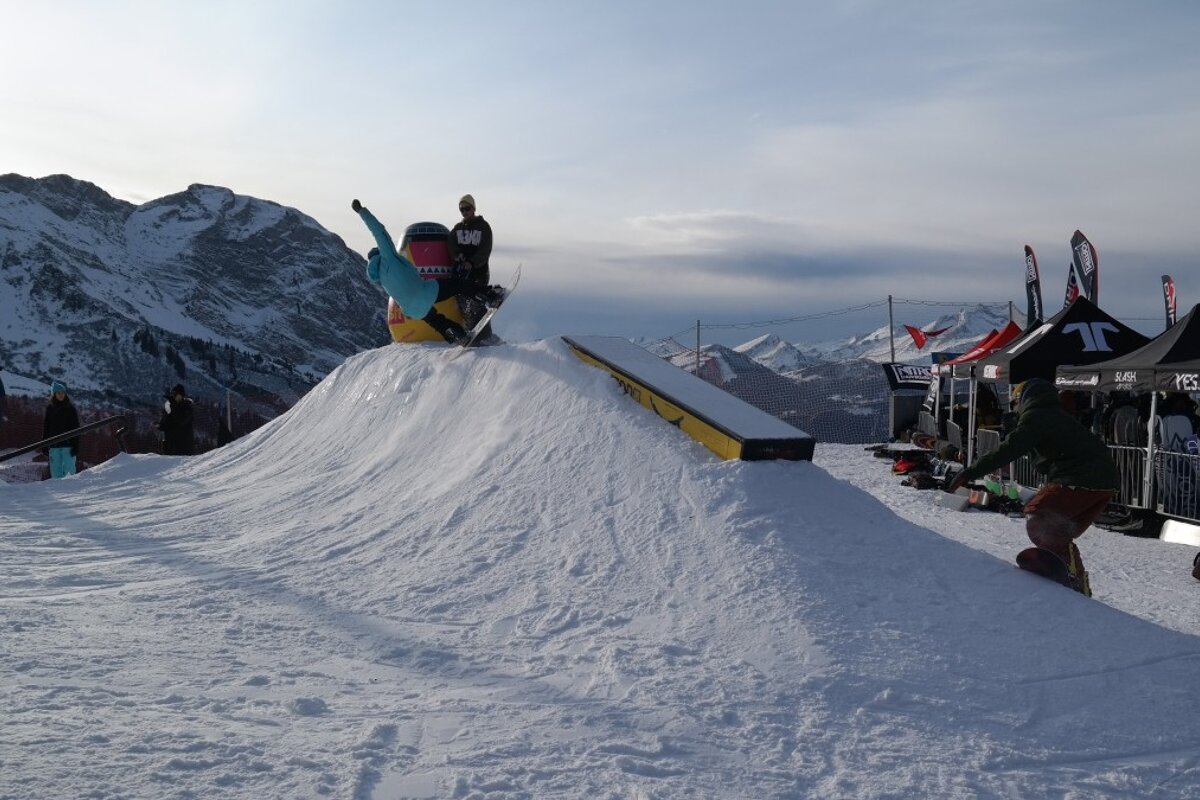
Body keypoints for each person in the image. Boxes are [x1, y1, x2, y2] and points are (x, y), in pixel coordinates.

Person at [944, 378, 1117, 596]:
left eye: (1015, 404)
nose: (1014, 409)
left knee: (1039, 517)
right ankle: (1077, 578)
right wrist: (1018, 431)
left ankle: (1070, 573)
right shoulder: (1054, 415)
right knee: (1059, 532)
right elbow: (1042, 456)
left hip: (1078, 478)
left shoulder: (1037, 416)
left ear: (1023, 400)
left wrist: (970, 472)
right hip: (1104, 483)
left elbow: (1009, 450)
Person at [352, 199, 503, 344]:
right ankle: (488, 297)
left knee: (437, 322)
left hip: (411, 309)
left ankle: (458, 335)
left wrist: (408, 313)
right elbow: (378, 231)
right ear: (379, 254)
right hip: (425, 291)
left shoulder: (381, 278)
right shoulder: (387, 257)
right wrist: (361, 211)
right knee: (458, 285)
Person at [446, 194, 495, 338]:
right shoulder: (457, 228)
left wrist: (472, 262)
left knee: (476, 303)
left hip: (479, 270)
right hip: (463, 272)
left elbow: (485, 249)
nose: (464, 212)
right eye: (462, 209)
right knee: (463, 302)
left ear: (473, 208)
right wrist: (457, 255)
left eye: (467, 208)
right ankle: (471, 331)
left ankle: (485, 335)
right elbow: (451, 244)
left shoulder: (483, 227)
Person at [42, 381, 80, 478]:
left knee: (69, 473)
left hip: (68, 446)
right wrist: (44, 444)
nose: (61, 395)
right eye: (58, 393)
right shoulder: (50, 409)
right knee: (56, 473)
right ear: (54, 394)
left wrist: (76, 446)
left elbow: (76, 428)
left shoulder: (70, 409)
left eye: (63, 392)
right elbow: (46, 428)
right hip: (54, 446)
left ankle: (71, 488)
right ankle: (59, 489)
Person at [158, 383, 195, 456]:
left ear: (182, 395)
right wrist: (160, 425)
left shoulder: (187, 407)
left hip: (184, 448)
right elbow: (167, 424)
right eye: (174, 395)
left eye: (178, 395)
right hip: (170, 447)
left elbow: (181, 420)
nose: (176, 397)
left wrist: (173, 405)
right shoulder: (169, 407)